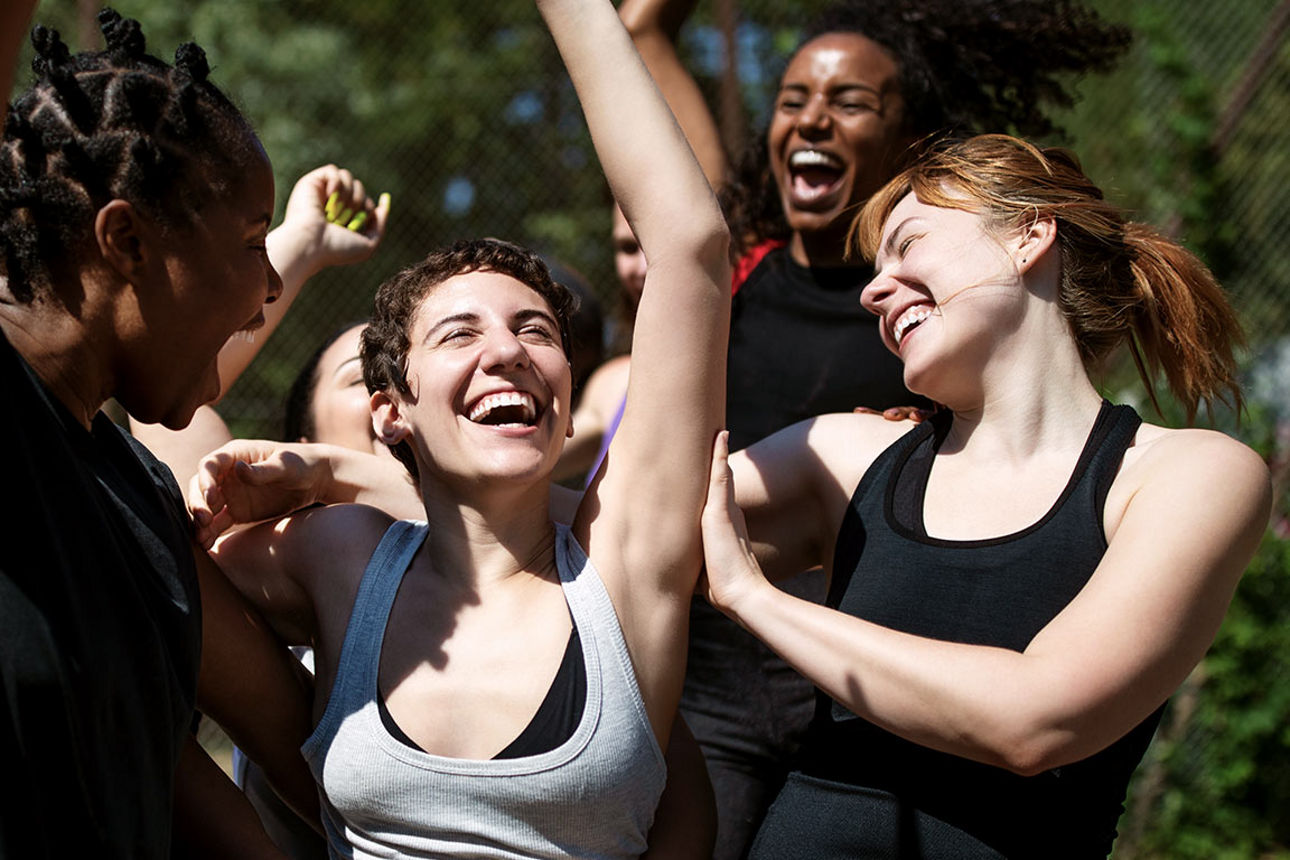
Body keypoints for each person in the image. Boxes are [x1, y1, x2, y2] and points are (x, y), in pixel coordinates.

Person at [192, 0, 730, 855]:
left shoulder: (625, 565)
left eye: (536, 330)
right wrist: (294, 248)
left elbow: (690, 244)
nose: (509, 352)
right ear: (390, 411)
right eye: (460, 333)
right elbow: (160, 425)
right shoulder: (336, 557)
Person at [618, 0, 1132, 852]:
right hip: (724, 669)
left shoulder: (945, 306)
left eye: (851, 101)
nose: (812, 117)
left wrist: (935, 431)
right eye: (789, 99)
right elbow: (643, 43)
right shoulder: (738, 264)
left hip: (887, 650)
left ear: (909, 140)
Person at [695, 133, 1272, 858]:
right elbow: (622, 532)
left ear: (1029, 236)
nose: (872, 290)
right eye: (875, 271)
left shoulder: (1185, 475)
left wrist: (755, 598)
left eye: (908, 245)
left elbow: (1035, 721)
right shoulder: (849, 457)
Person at [0, 7, 349, 856]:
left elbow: (264, 755)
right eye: (251, 242)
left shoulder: (141, 497)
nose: (269, 284)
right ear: (125, 240)